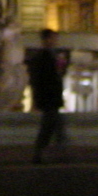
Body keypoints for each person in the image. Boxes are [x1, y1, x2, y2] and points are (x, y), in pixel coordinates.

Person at [26, 27, 68, 163]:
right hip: (48, 97)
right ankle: (42, 154)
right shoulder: (43, 56)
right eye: (53, 38)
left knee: (55, 126)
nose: (56, 41)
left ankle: (57, 152)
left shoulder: (49, 55)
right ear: (47, 39)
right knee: (49, 127)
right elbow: (41, 79)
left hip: (51, 97)